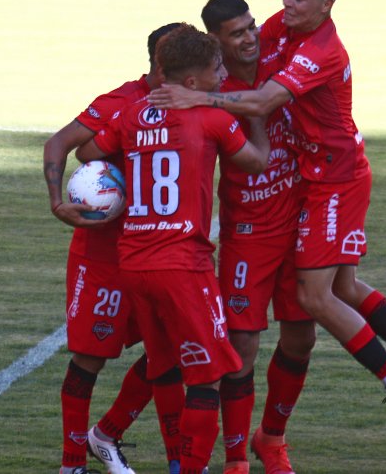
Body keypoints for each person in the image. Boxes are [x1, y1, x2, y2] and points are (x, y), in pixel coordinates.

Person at [148, 0, 386, 441]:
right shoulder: (276, 31)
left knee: (313, 298)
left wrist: (199, 102)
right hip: (305, 190)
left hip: (335, 179)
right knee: (344, 287)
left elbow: (264, 102)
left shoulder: (320, 50)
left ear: (326, 5)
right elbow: (229, 49)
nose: (285, 7)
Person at [75, 24, 271, 474]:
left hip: (134, 261)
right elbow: (256, 162)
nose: (224, 72)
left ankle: (112, 435)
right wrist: (257, 116)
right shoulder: (214, 118)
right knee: (210, 376)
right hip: (182, 265)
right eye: (216, 66)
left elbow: (89, 153)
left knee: (164, 363)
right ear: (192, 82)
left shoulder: (131, 115)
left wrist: (126, 171)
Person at [43, 22, 187, 474]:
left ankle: (105, 434)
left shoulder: (192, 100)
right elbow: (61, 143)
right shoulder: (119, 102)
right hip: (103, 255)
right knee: (89, 357)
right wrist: (57, 203)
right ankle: (72, 465)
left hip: (157, 252)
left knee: (176, 348)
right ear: (161, 63)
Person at [201, 0, 315, 474]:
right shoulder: (209, 85)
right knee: (243, 346)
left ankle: (271, 438)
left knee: (301, 339)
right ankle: (234, 461)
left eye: (251, 28)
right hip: (248, 232)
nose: (250, 38)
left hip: (297, 222)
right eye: (236, 33)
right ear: (216, 41)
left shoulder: (278, 58)